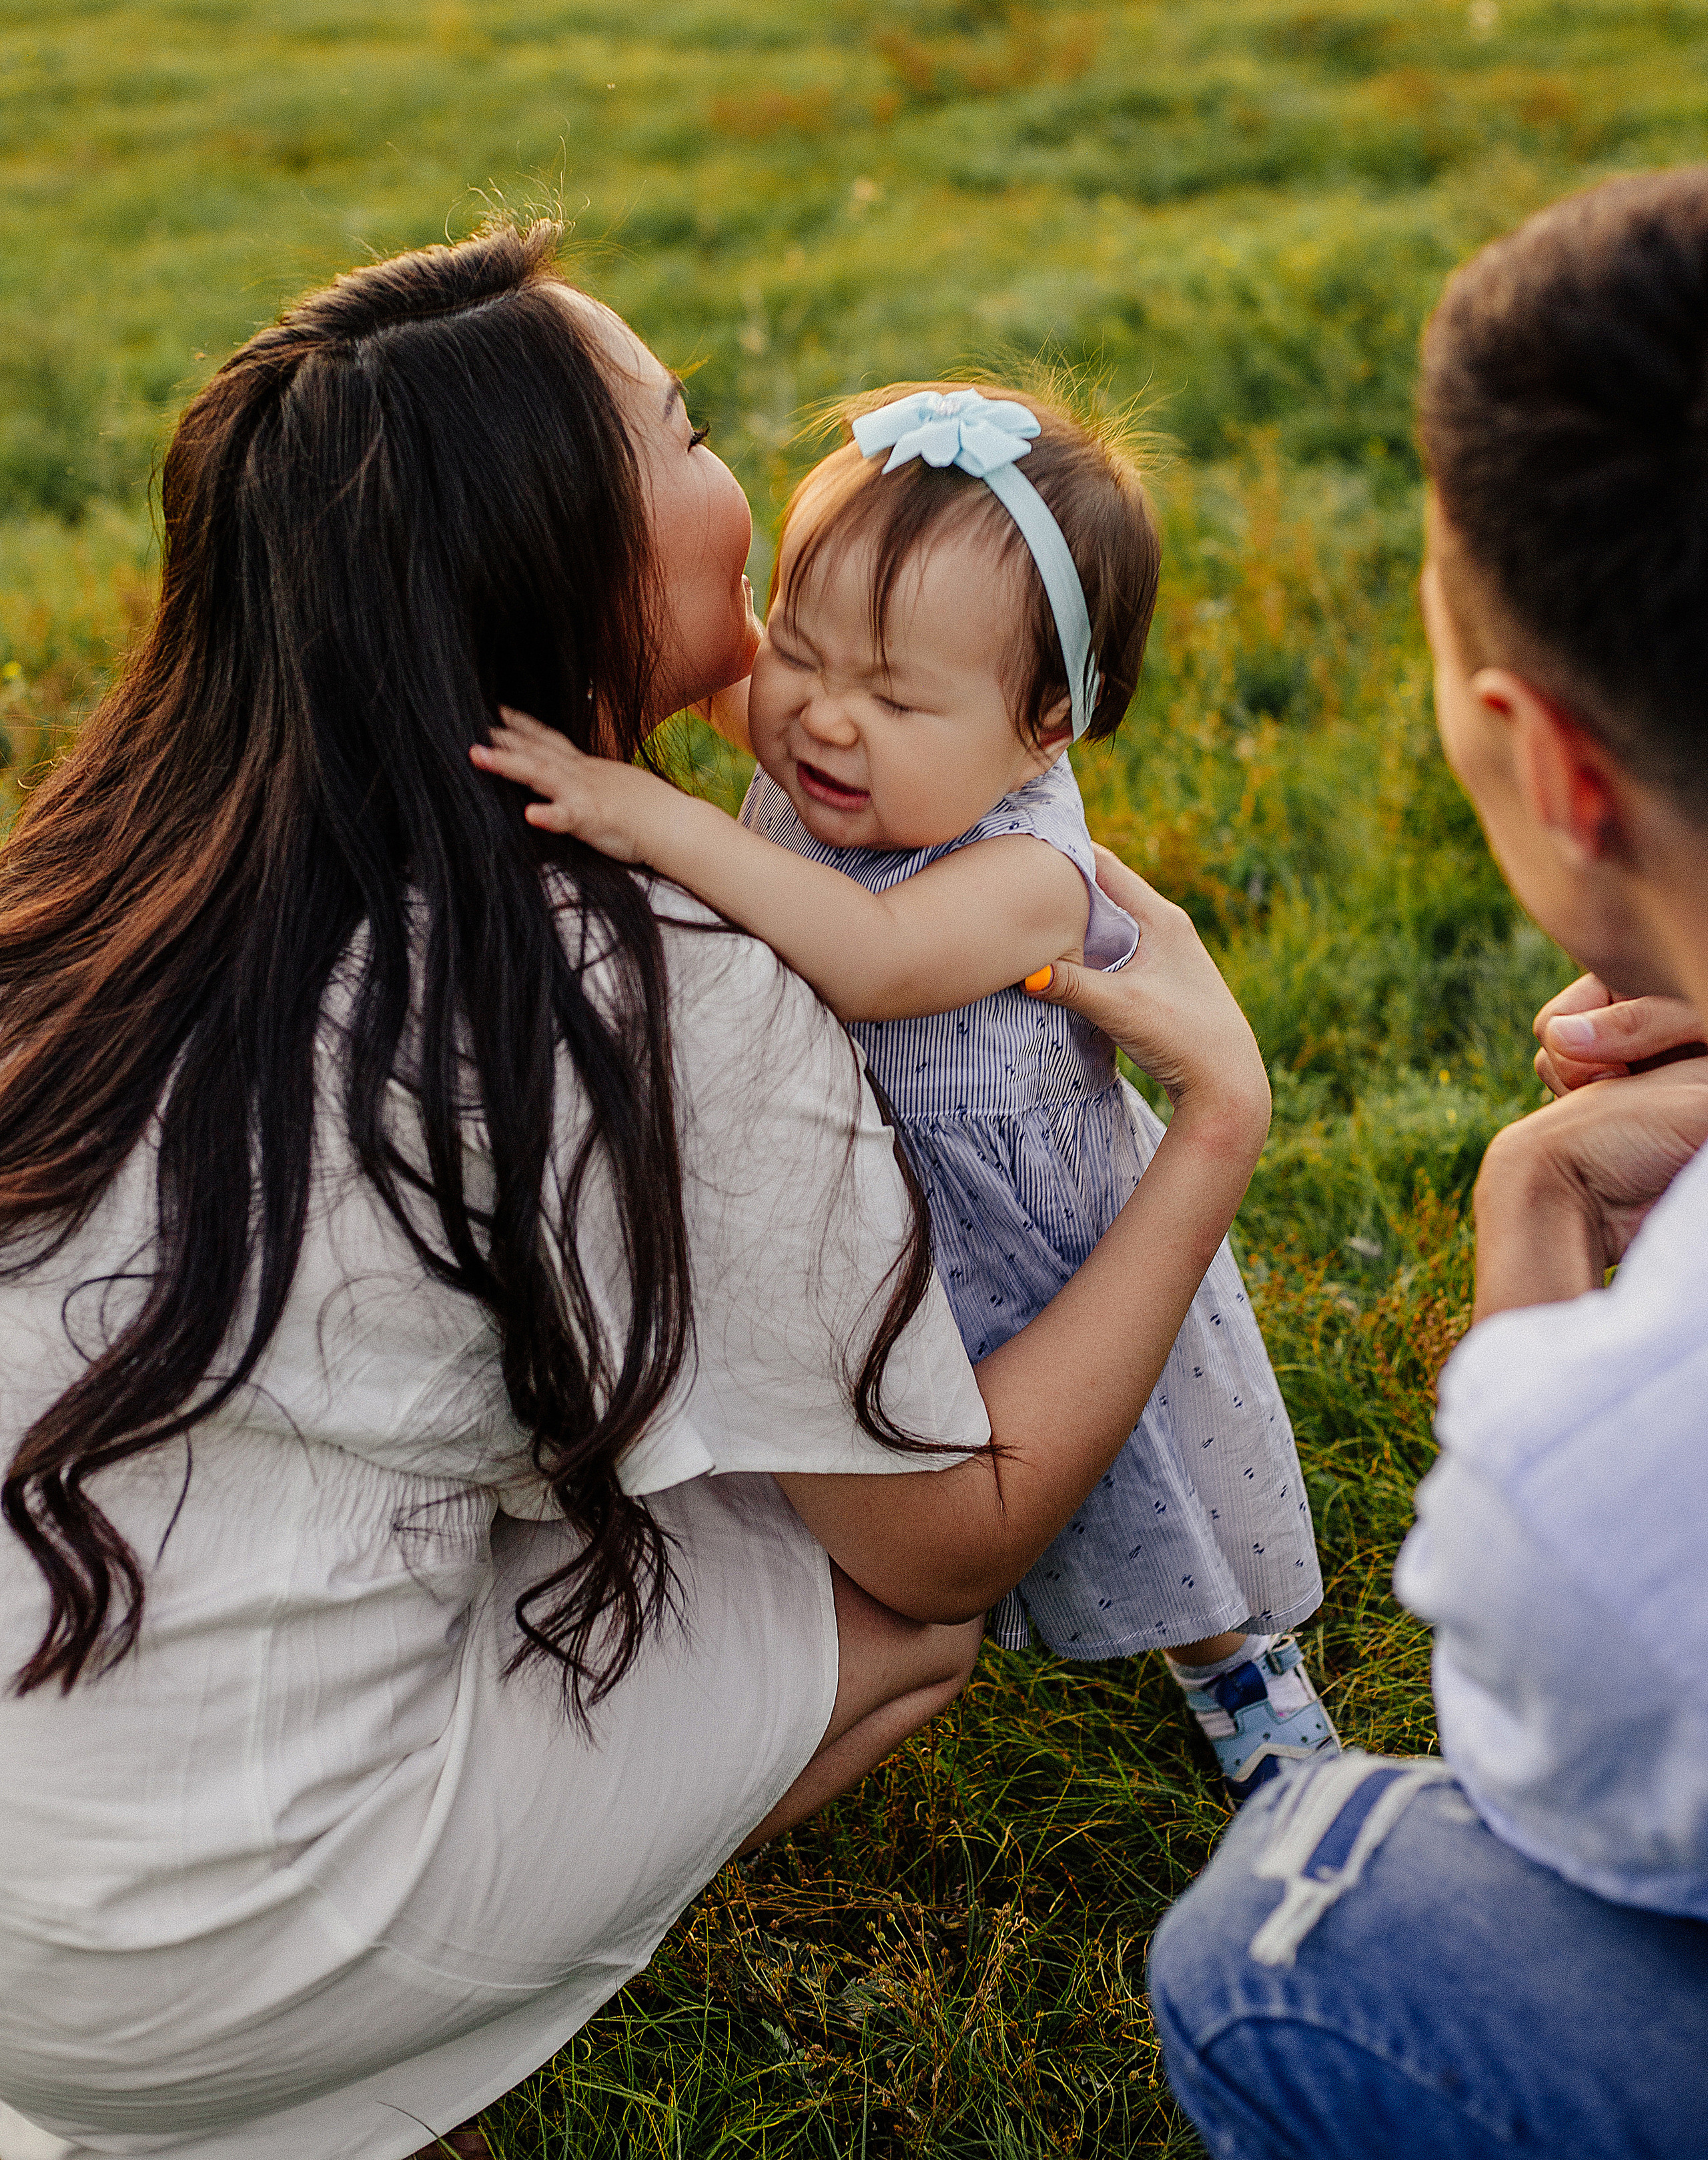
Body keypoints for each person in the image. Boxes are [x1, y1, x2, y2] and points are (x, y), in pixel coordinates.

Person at [0, 223, 1277, 2160]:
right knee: (891, 1616)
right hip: (171, 1952)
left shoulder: (126, 863)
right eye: (680, 431)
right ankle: (313, 2076)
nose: (735, 474)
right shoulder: (642, 980)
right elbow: (950, 1544)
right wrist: (1213, 1130)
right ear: (569, 559)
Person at [477, 380, 1335, 1798]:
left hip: (1020, 1242)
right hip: (855, 1208)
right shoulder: (822, 742)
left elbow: (871, 957)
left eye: (893, 697)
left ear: (1045, 724)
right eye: (802, 650)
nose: (820, 720)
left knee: (1125, 1470)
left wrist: (653, 818)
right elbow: (719, 675)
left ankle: (1231, 1659)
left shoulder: (1028, 872)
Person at [1148, 165, 1708, 2157]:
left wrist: (1530, 1211)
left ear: (1545, 762)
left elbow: (1556, 1773)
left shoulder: (1612, 1470)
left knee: (1295, 1931)